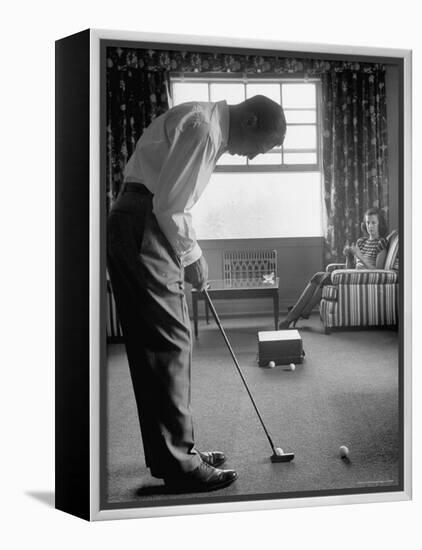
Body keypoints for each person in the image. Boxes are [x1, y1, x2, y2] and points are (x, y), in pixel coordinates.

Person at [107, 95, 286, 492]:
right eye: (262, 148)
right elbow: (171, 205)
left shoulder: (205, 120)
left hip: (138, 220)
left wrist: (186, 253)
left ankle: (174, 454)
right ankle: (180, 466)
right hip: (144, 223)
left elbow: (170, 198)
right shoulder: (206, 129)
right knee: (168, 344)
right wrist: (193, 257)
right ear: (251, 120)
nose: (255, 157)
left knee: (162, 345)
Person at [278, 208, 388, 329]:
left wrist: (360, 256)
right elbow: (350, 268)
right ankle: (302, 312)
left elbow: (379, 271)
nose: (370, 226)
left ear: (380, 224)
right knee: (318, 276)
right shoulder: (361, 242)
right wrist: (349, 257)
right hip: (351, 277)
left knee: (324, 278)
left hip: (364, 279)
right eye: (367, 222)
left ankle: (293, 315)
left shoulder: (381, 243)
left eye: (373, 223)